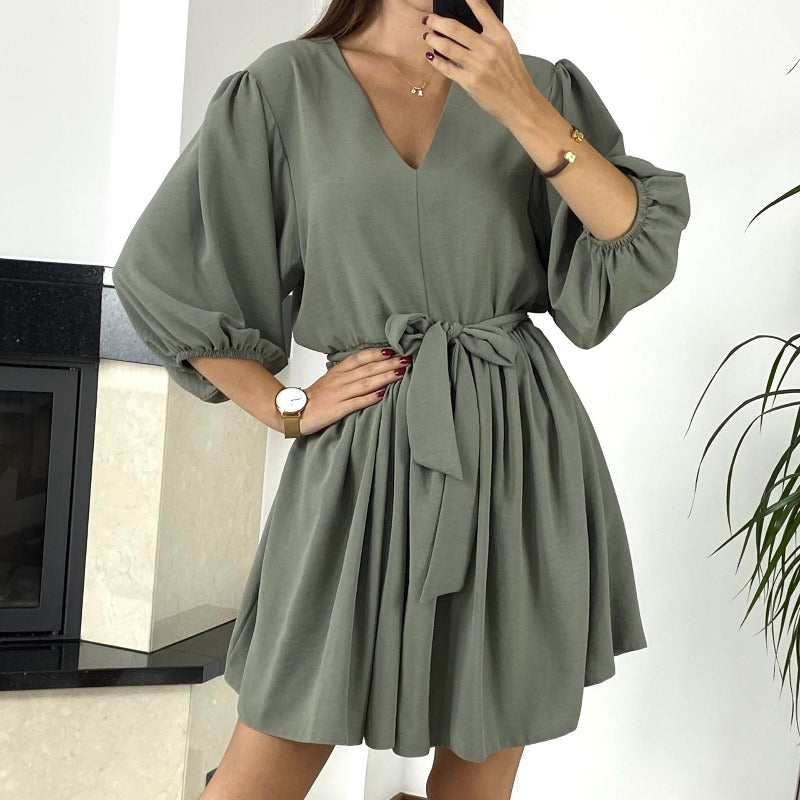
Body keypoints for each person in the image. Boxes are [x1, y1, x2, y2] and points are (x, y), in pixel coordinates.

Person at [111, 0, 691, 797]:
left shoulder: (537, 87)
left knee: (478, 770)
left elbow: (635, 239)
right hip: (356, 467)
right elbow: (161, 271)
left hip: (514, 456)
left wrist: (518, 103)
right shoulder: (285, 89)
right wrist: (284, 405)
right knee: (264, 761)